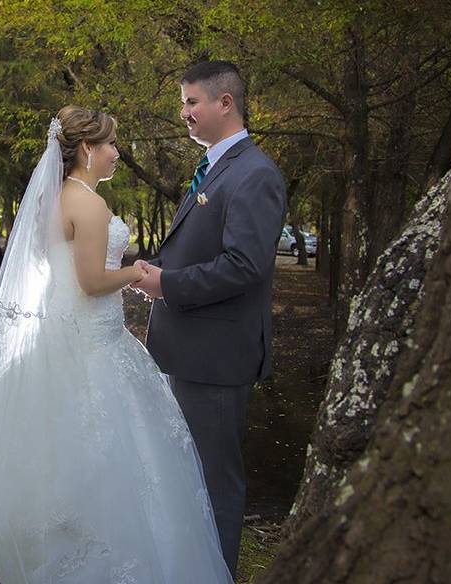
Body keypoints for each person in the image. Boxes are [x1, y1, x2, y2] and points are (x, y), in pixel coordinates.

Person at [0, 105, 233, 583]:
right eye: (111, 144)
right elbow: (93, 281)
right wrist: (137, 273)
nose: (117, 154)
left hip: (61, 336)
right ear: (89, 150)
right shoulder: (89, 203)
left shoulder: (53, 200)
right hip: (94, 344)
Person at [132, 60, 287, 577]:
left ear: (226, 103)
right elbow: (196, 249)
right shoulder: (218, 167)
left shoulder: (255, 173)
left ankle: (218, 572)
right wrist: (152, 268)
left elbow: (243, 266)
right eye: (183, 103)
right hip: (190, 350)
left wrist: (166, 285)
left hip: (218, 359)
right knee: (188, 472)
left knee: (215, 480)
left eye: (192, 102)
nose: (184, 113)